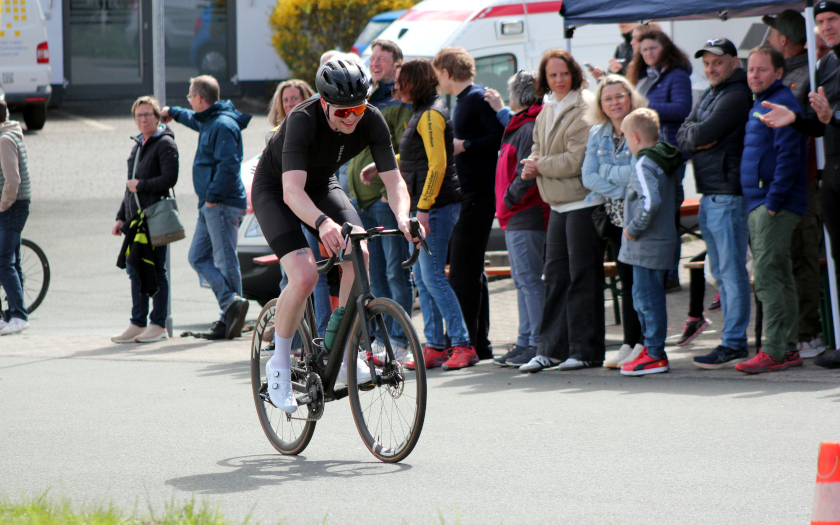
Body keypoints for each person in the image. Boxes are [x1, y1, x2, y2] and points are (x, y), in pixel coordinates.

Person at [252, 59, 418, 413]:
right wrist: (323, 223)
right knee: (304, 274)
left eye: (357, 110)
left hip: (322, 185)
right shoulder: (302, 119)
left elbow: (394, 181)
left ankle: (340, 350)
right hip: (278, 188)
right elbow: (292, 192)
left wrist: (404, 216)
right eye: (342, 112)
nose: (351, 119)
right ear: (325, 103)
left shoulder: (372, 119)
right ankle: (279, 364)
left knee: (361, 251)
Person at [367, 57, 476, 371]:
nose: (396, 86)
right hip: (429, 207)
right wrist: (384, 165)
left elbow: (438, 164)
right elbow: (416, 156)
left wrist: (424, 209)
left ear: (414, 82)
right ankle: (436, 346)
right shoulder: (422, 112)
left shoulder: (430, 114)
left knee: (433, 279)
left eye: (401, 81)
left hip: (437, 207)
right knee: (426, 280)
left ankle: (462, 345)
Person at [518, 49, 602, 373]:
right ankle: (549, 350)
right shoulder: (546, 108)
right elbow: (538, 149)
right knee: (554, 277)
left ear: (574, 73)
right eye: (552, 75)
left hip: (583, 202)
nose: (559, 80)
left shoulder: (585, 105)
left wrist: (538, 166)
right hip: (557, 203)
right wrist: (531, 165)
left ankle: (585, 351)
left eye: (564, 73)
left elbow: (576, 160)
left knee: (582, 277)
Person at [676, 38, 753, 369]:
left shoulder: (736, 94)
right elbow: (685, 136)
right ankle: (731, 339)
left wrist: (698, 138)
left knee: (732, 273)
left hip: (728, 194)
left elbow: (696, 134)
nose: (710, 69)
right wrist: (698, 138)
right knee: (721, 272)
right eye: (706, 63)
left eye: (717, 62)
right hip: (711, 193)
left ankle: (734, 342)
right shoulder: (710, 93)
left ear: (734, 62)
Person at [734, 46, 808, 375]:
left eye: (762, 70)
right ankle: (788, 348)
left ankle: (775, 350)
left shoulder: (780, 103)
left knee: (766, 277)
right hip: (762, 203)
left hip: (772, 205)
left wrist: (773, 203)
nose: (754, 75)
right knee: (779, 275)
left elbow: (790, 157)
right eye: (751, 69)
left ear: (778, 73)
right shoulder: (762, 102)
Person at [161, 75, 251, 341]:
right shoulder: (211, 118)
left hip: (220, 203)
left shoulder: (222, 124)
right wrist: (173, 113)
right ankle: (230, 305)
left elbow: (229, 165)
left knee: (225, 260)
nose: (189, 100)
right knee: (197, 257)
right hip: (211, 204)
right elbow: (193, 118)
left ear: (200, 98)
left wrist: (212, 196)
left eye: (190, 97)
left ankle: (231, 315)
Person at [432, 46, 505, 361]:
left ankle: (466, 345)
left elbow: (501, 135)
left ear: (446, 73)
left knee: (462, 272)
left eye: (438, 76)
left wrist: (466, 144)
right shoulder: (463, 100)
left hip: (478, 195)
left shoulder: (475, 98)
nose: (438, 82)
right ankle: (479, 343)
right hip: (468, 195)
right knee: (471, 271)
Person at [346, 40, 415, 362]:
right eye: (372, 58)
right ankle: (380, 342)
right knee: (374, 275)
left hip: (383, 200)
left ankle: (399, 341)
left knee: (394, 271)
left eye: (382, 59)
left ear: (396, 64)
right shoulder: (366, 98)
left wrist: (394, 191)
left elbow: (406, 150)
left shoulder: (399, 103)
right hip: (360, 202)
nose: (374, 63)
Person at [763, 10, 826, 358]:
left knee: (801, 257)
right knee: (788, 259)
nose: (768, 39)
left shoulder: (805, 74)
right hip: (785, 183)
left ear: (783, 40)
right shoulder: (788, 72)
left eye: (772, 34)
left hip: (799, 183)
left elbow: (804, 129)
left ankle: (808, 332)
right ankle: (795, 334)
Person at [580, 74, 649, 369]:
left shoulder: (641, 126)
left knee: (642, 284)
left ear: (630, 96)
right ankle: (629, 342)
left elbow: (639, 174)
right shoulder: (598, 132)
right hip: (614, 219)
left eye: (619, 96)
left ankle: (646, 345)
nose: (614, 102)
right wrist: (621, 187)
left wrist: (608, 175)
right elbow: (587, 176)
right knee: (626, 281)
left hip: (639, 218)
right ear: (601, 104)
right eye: (607, 98)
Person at [490, 71, 548, 368]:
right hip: (516, 215)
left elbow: (524, 174)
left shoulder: (526, 127)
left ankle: (535, 342)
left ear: (519, 94)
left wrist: (508, 200)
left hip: (524, 213)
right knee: (523, 280)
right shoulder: (521, 125)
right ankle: (526, 340)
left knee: (528, 280)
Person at [618, 108, 682, 376]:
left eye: (624, 138)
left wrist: (633, 228)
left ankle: (655, 352)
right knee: (646, 297)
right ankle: (651, 348)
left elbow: (650, 202)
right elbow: (676, 196)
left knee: (646, 299)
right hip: (663, 240)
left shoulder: (645, 163)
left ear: (634, 137)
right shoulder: (666, 160)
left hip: (645, 246)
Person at [627, 28, 692, 292]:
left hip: (667, 157)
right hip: (646, 155)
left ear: (664, 47)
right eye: (644, 50)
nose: (648, 54)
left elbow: (682, 109)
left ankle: (670, 275)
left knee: (666, 216)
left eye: (653, 48)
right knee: (652, 212)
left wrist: (645, 107)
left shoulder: (676, 75)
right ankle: (658, 271)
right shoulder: (643, 77)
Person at [111, 96, 179, 344]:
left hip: (155, 217)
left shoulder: (165, 143)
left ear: (157, 116)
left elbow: (169, 179)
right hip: (136, 220)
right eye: (139, 115)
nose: (143, 119)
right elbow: (130, 187)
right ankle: (137, 323)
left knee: (156, 269)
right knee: (135, 269)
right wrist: (121, 217)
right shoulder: (138, 145)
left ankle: (158, 324)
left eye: (147, 114)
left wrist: (142, 184)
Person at [0, 99, 31, 336]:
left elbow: (13, 180)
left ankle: (18, 315)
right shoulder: (10, 135)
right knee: (13, 260)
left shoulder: (4, 140)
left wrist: (2, 205)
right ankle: (13, 314)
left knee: (3, 261)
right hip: (15, 206)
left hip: (11, 207)